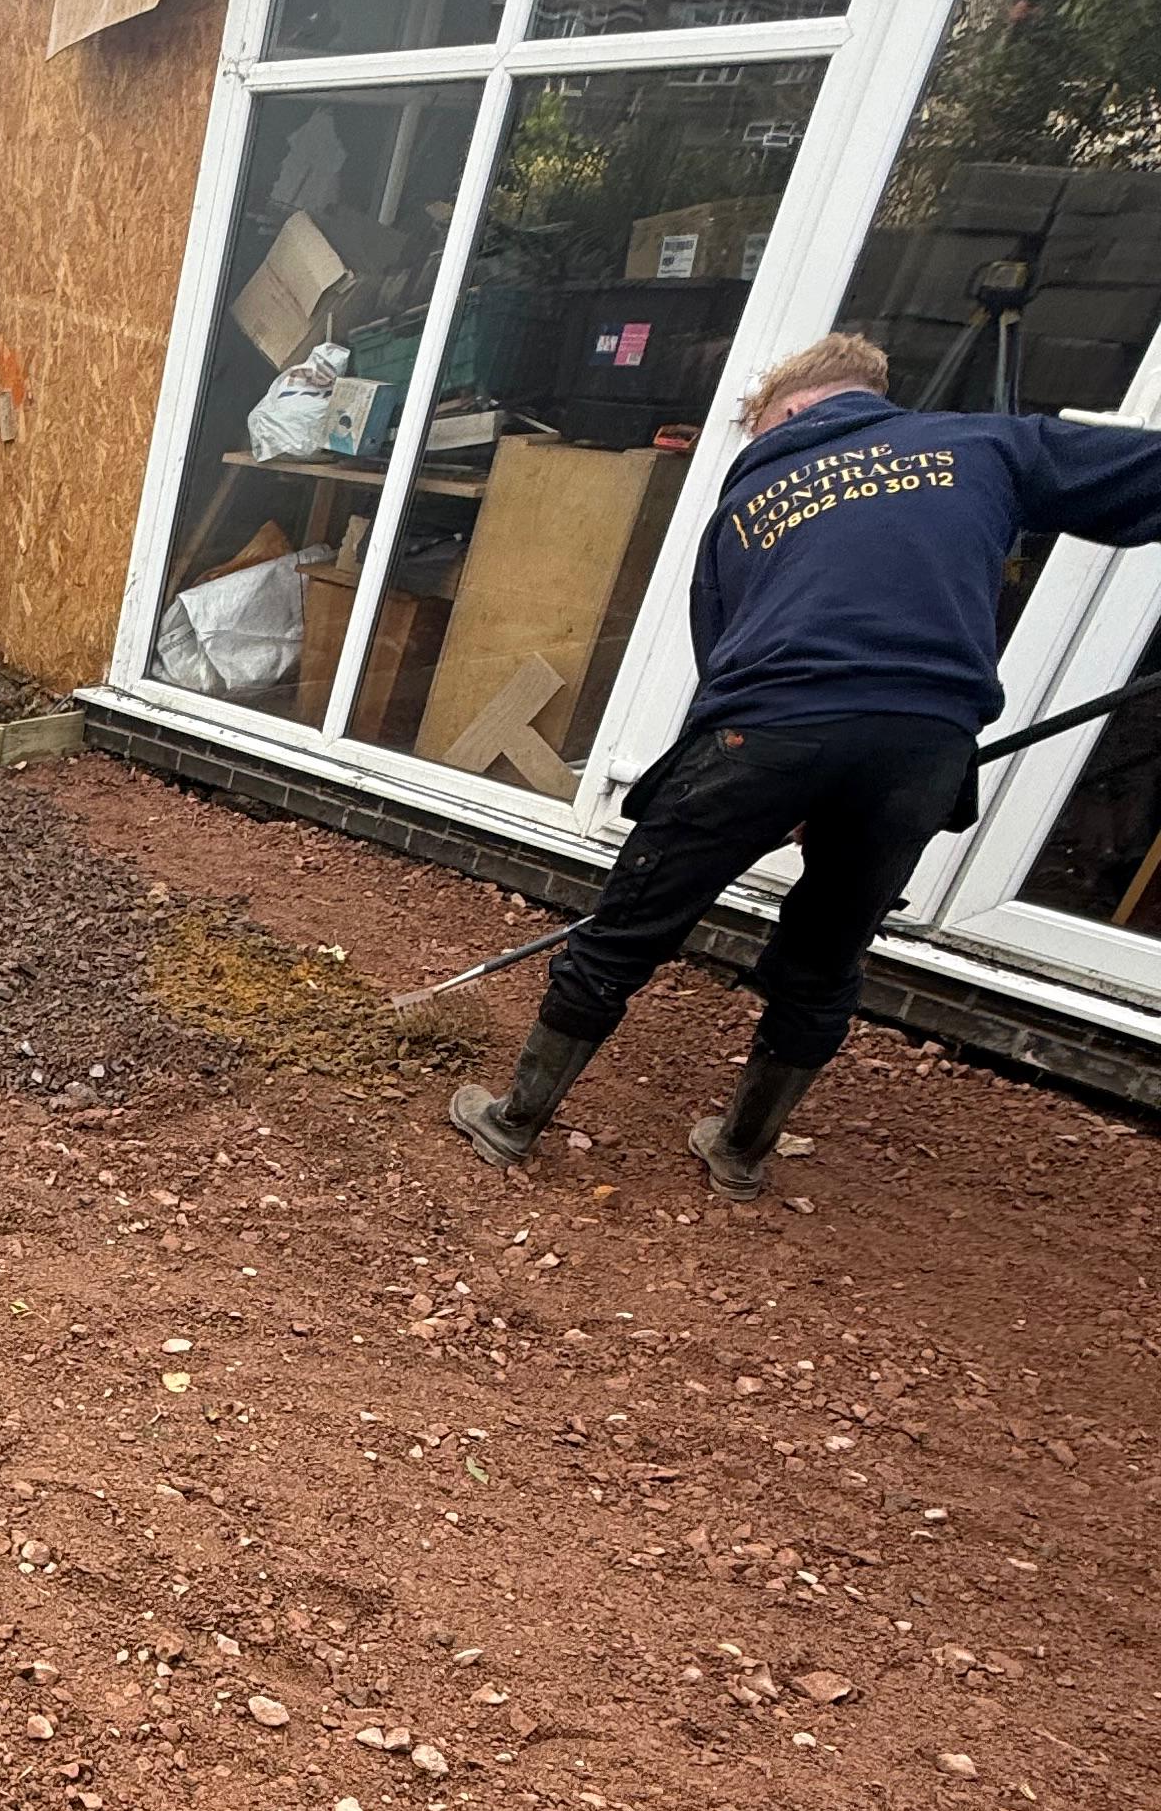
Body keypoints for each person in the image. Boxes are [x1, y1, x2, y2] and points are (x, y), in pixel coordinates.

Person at [450, 330, 1161, 1190]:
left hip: (766, 727)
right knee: (828, 954)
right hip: (923, 743)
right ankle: (741, 1153)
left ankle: (514, 1119)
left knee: (629, 927)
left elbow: (726, 660)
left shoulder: (749, 500)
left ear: (788, 411)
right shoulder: (988, 443)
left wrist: (769, 781)